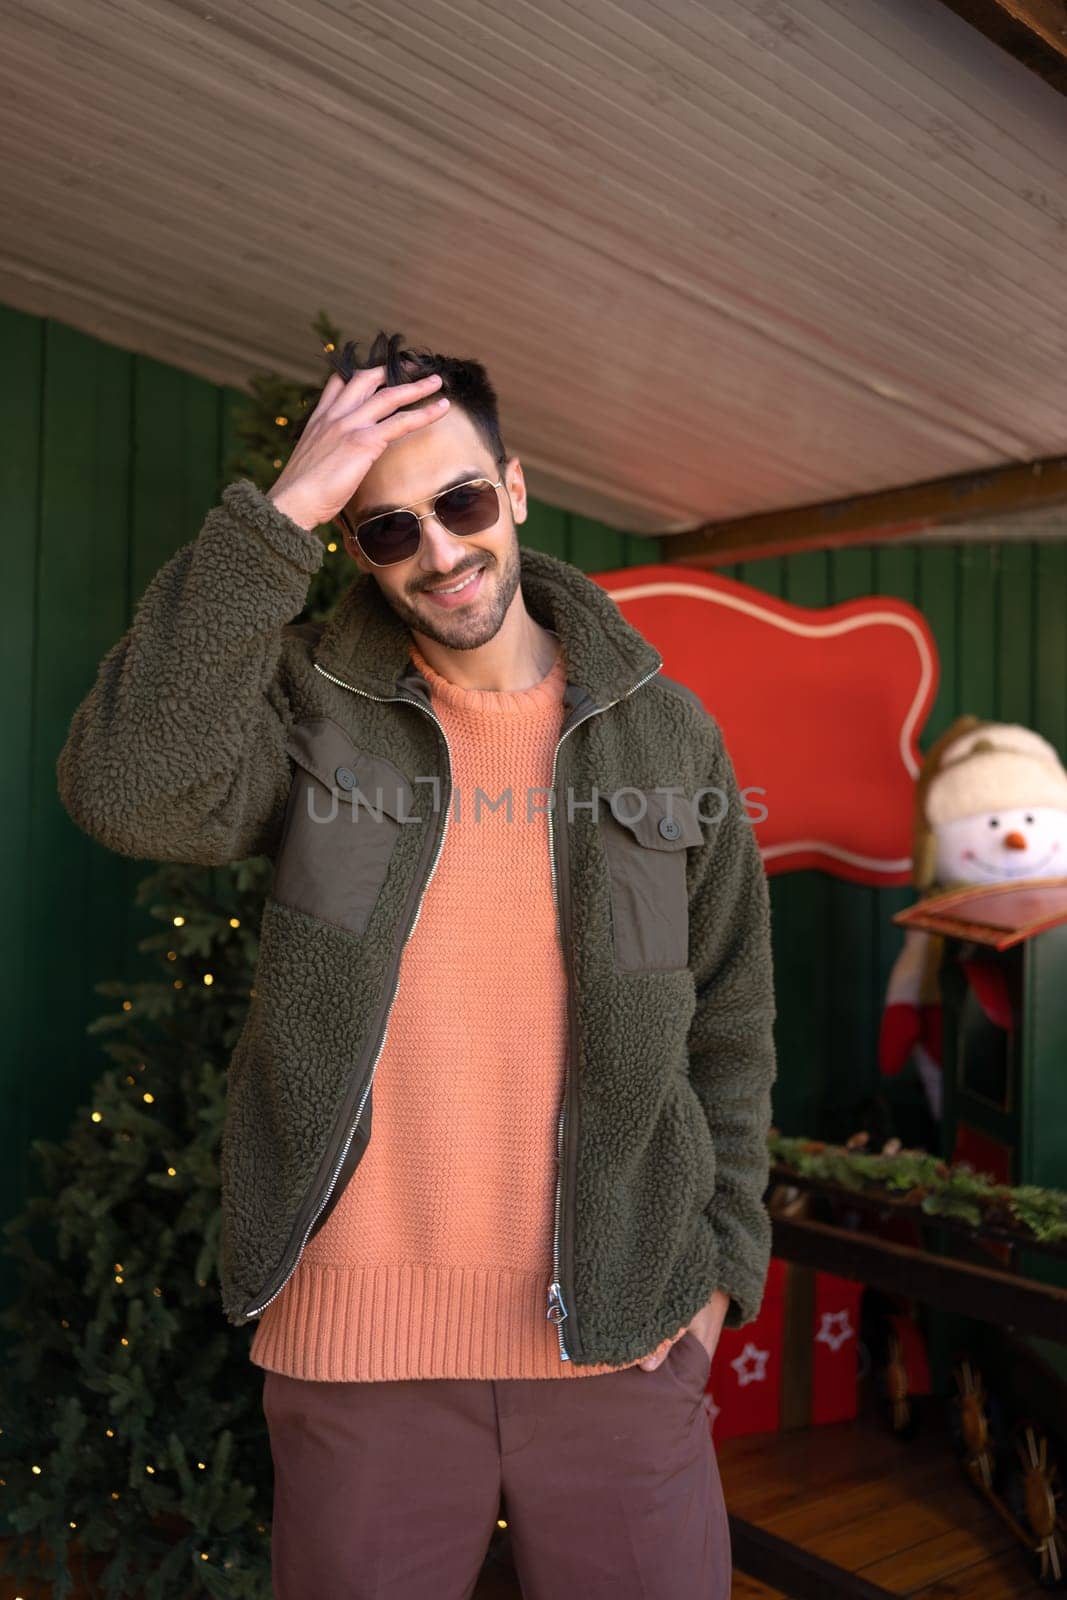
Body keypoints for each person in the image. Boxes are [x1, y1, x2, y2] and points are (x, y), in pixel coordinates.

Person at [56, 329, 778, 1599]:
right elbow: (128, 787)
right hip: (357, 1350)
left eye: (457, 501)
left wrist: (720, 1268)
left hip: (620, 1329)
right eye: (387, 527)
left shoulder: (663, 734)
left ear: (514, 486)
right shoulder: (312, 712)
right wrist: (278, 512)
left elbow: (729, 1016)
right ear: (352, 547)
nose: (438, 551)